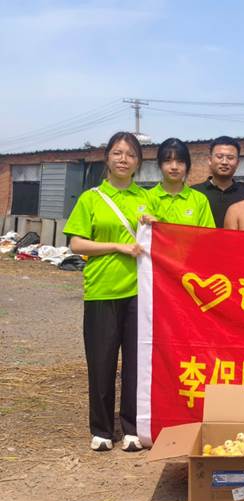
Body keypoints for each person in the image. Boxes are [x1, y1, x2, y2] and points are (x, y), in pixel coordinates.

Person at [63, 131, 157, 452]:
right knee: (101, 361)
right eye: (117, 153)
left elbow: (162, 238)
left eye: (130, 155)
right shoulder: (91, 198)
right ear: (107, 158)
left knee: (135, 363)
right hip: (101, 290)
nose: (123, 159)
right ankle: (102, 429)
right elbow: (76, 243)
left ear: (138, 162)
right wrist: (117, 246)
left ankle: (131, 428)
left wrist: (153, 222)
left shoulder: (147, 198)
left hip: (140, 292)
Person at [149, 138, 215, 227]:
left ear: (187, 165)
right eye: (168, 161)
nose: (174, 167)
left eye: (180, 161)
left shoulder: (200, 200)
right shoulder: (146, 198)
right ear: (159, 164)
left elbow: (208, 234)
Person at [191, 136, 244, 227]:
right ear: (210, 160)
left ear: (238, 163)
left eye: (230, 158)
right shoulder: (194, 193)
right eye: (219, 157)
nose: (224, 162)